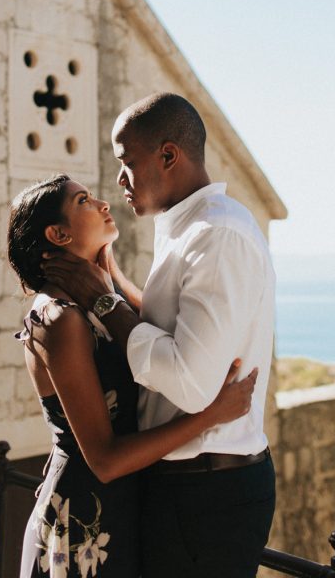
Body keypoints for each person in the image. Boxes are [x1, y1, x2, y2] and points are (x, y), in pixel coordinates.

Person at [41, 92, 276, 578]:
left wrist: (103, 301)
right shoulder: (184, 229)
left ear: (168, 155)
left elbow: (190, 384)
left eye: (127, 162)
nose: (119, 180)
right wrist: (107, 283)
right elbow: (162, 326)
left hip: (208, 494)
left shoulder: (217, 235)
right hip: (176, 486)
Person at [8, 172, 259, 578]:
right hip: (84, 522)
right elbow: (105, 460)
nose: (103, 204)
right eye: (83, 202)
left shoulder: (91, 301)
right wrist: (211, 415)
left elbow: (161, 335)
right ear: (58, 234)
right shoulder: (59, 319)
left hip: (122, 511)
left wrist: (107, 272)